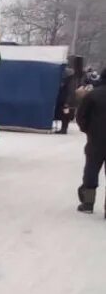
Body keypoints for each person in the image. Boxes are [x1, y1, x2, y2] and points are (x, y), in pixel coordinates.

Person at [75, 68, 106, 214]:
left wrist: (88, 130)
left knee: (91, 169)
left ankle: (88, 203)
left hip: (96, 139)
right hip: (96, 137)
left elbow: (81, 116)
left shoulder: (93, 95)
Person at [54, 65, 77, 134]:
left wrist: (67, 102)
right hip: (65, 100)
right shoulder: (70, 80)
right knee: (64, 115)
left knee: (65, 115)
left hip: (66, 101)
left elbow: (70, 92)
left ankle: (64, 129)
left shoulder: (70, 81)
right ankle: (63, 129)